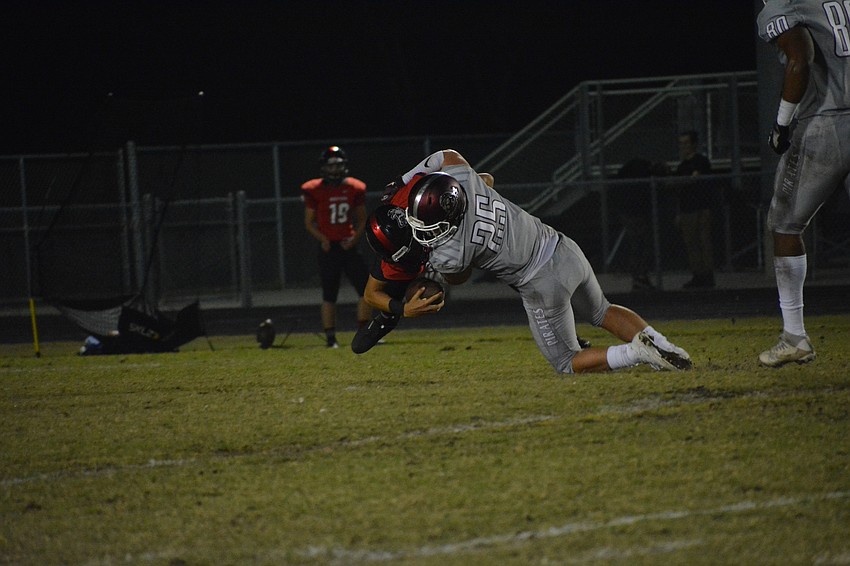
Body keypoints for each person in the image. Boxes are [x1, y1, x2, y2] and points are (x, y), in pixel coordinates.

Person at [401, 149, 693, 374]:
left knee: (567, 361)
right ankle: (665, 346)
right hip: (562, 247)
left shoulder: (451, 252)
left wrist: (432, 267)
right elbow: (448, 156)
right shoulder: (464, 180)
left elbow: (457, 276)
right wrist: (415, 177)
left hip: (540, 282)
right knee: (603, 310)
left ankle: (637, 353)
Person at [756, 0, 850, 367]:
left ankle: (795, 335)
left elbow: (800, 59)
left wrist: (781, 124)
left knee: (784, 226)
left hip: (827, 124)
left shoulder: (783, 4)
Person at [301, 145, 372, 348]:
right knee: (329, 294)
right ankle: (330, 338)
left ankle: (364, 332)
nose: (334, 170)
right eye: (330, 166)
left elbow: (362, 219)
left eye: (338, 165)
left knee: (367, 290)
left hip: (348, 246)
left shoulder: (355, 188)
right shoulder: (313, 189)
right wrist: (322, 238)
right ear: (323, 167)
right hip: (329, 247)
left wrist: (354, 239)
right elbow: (309, 222)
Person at [614, 157, 668, 291]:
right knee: (640, 244)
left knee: (639, 244)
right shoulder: (640, 172)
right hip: (633, 212)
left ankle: (639, 277)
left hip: (629, 211)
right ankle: (639, 276)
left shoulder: (637, 168)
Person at [673, 131, 715, 289]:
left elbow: (696, 181)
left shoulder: (701, 161)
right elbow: (680, 189)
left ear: (693, 144)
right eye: (681, 144)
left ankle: (707, 276)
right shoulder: (682, 166)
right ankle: (698, 275)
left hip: (701, 208)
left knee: (704, 242)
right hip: (687, 210)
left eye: (686, 143)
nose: (684, 147)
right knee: (692, 244)